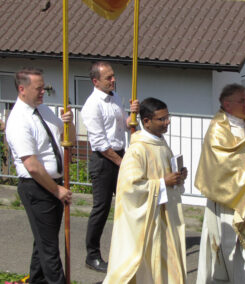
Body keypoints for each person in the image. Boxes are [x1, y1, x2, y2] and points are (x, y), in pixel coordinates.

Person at [195, 83, 245, 284]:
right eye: (242, 100)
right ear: (227, 104)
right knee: (228, 246)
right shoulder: (217, 129)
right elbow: (224, 163)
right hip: (228, 200)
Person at [103, 97, 187, 283]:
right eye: (162, 119)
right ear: (147, 122)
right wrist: (162, 183)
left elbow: (165, 175)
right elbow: (130, 188)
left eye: (168, 117)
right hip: (148, 222)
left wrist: (178, 176)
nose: (168, 122)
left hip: (165, 216)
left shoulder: (160, 143)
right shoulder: (137, 150)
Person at [6, 67, 75, 284]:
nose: (43, 91)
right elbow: (32, 165)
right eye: (38, 88)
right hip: (37, 187)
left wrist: (69, 122)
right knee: (49, 248)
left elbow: (68, 140)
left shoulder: (44, 110)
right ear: (22, 89)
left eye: (43, 87)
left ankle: (35, 280)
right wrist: (57, 190)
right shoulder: (18, 120)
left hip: (53, 185)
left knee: (44, 240)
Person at [81, 61, 139, 272]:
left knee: (128, 202)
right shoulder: (92, 105)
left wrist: (132, 114)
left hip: (119, 155)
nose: (113, 80)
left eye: (113, 76)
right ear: (96, 81)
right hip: (104, 160)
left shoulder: (115, 98)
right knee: (102, 208)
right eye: (109, 78)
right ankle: (92, 255)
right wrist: (121, 162)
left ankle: (128, 249)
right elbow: (100, 144)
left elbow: (124, 124)